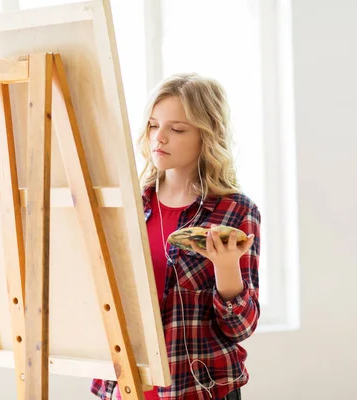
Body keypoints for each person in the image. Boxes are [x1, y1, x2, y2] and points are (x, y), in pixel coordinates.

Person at [90, 73, 261, 400]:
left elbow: (240, 328)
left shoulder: (235, 212)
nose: (159, 138)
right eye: (154, 126)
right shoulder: (127, 206)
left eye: (177, 129)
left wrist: (226, 267)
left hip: (199, 389)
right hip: (124, 389)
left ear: (207, 136)